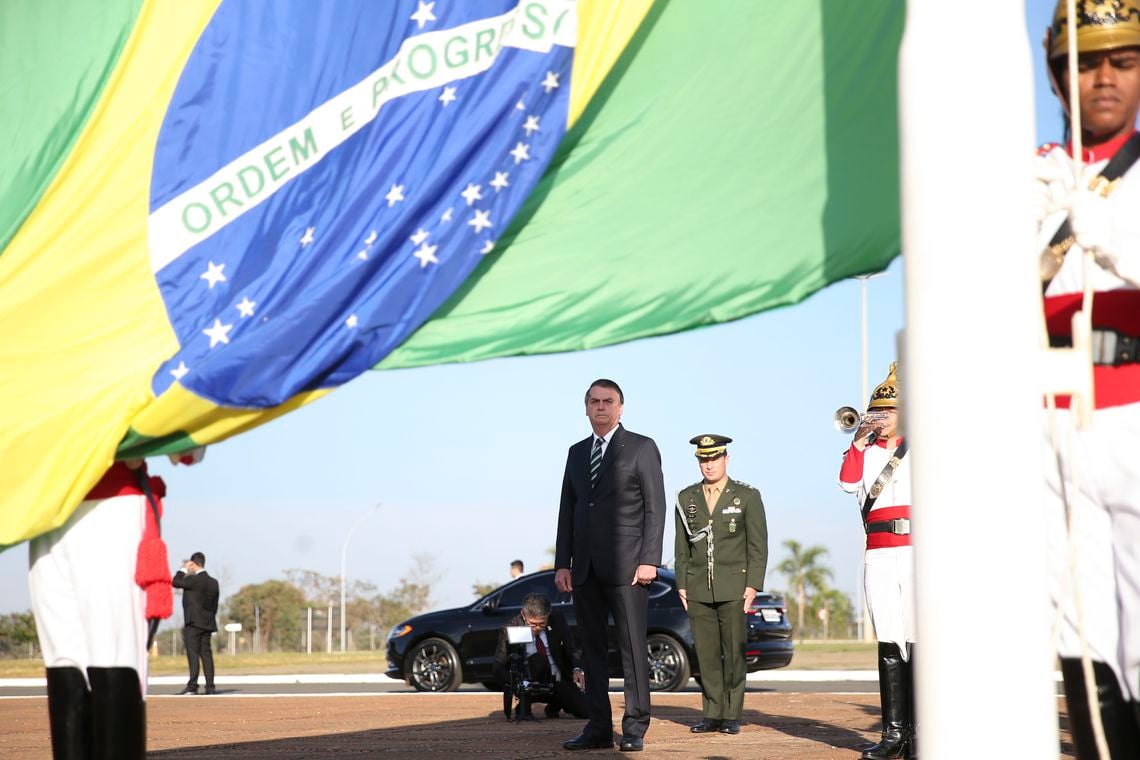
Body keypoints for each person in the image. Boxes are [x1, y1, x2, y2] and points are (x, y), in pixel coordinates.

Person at [1034, 2, 1140, 755]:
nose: (1103, 78)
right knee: (1072, 614)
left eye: (1122, 61)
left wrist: (1112, 237)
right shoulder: (1030, 175)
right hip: (1050, 415)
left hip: (1133, 410)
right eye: (1085, 62)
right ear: (1058, 77)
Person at [29, 450, 203, 759]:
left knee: (91, 658)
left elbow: (187, 446)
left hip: (80, 503)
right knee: (75, 661)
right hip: (65, 507)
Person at [554, 378, 666, 752]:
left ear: (620, 408)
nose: (601, 407)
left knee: (632, 649)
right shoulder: (575, 452)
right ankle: (598, 727)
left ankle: (634, 728)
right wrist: (562, 563)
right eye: (594, 402)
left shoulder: (641, 447)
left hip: (629, 569)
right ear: (586, 408)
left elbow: (655, 506)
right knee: (592, 652)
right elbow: (567, 510)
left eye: (608, 401)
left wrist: (650, 559)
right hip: (584, 569)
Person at [838, 363, 915, 760]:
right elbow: (847, 483)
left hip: (918, 551)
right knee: (889, 636)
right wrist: (858, 441)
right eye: (876, 412)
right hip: (880, 552)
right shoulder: (864, 453)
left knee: (919, 639)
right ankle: (894, 732)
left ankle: (920, 734)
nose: (881, 419)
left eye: (888, 412)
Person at [674, 434, 768, 736]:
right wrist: (681, 583)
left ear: (726, 459)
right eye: (703, 459)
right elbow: (681, 548)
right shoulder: (686, 498)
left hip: (734, 588)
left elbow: (758, 545)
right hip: (698, 588)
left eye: (714, 458)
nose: (708, 464)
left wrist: (753, 584)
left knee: (734, 654)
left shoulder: (747, 496)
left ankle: (732, 715)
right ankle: (712, 714)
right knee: (706, 655)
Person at [493, 593, 588, 720]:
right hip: (528, 683)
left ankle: (555, 704)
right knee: (539, 660)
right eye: (533, 624)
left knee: (586, 712)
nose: (537, 628)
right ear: (523, 615)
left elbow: (571, 649)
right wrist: (515, 685)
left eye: (542, 624)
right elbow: (498, 667)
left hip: (557, 680)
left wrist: (577, 669)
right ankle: (524, 705)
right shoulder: (511, 628)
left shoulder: (557, 619)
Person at [172, 551, 220, 695]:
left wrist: (183, 569)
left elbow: (175, 582)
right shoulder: (213, 582)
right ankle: (210, 686)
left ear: (193, 564)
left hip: (193, 623)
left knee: (193, 654)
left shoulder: (193, 580)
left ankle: (192, 686)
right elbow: (215, 604)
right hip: (208, 622)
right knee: (206, 654)